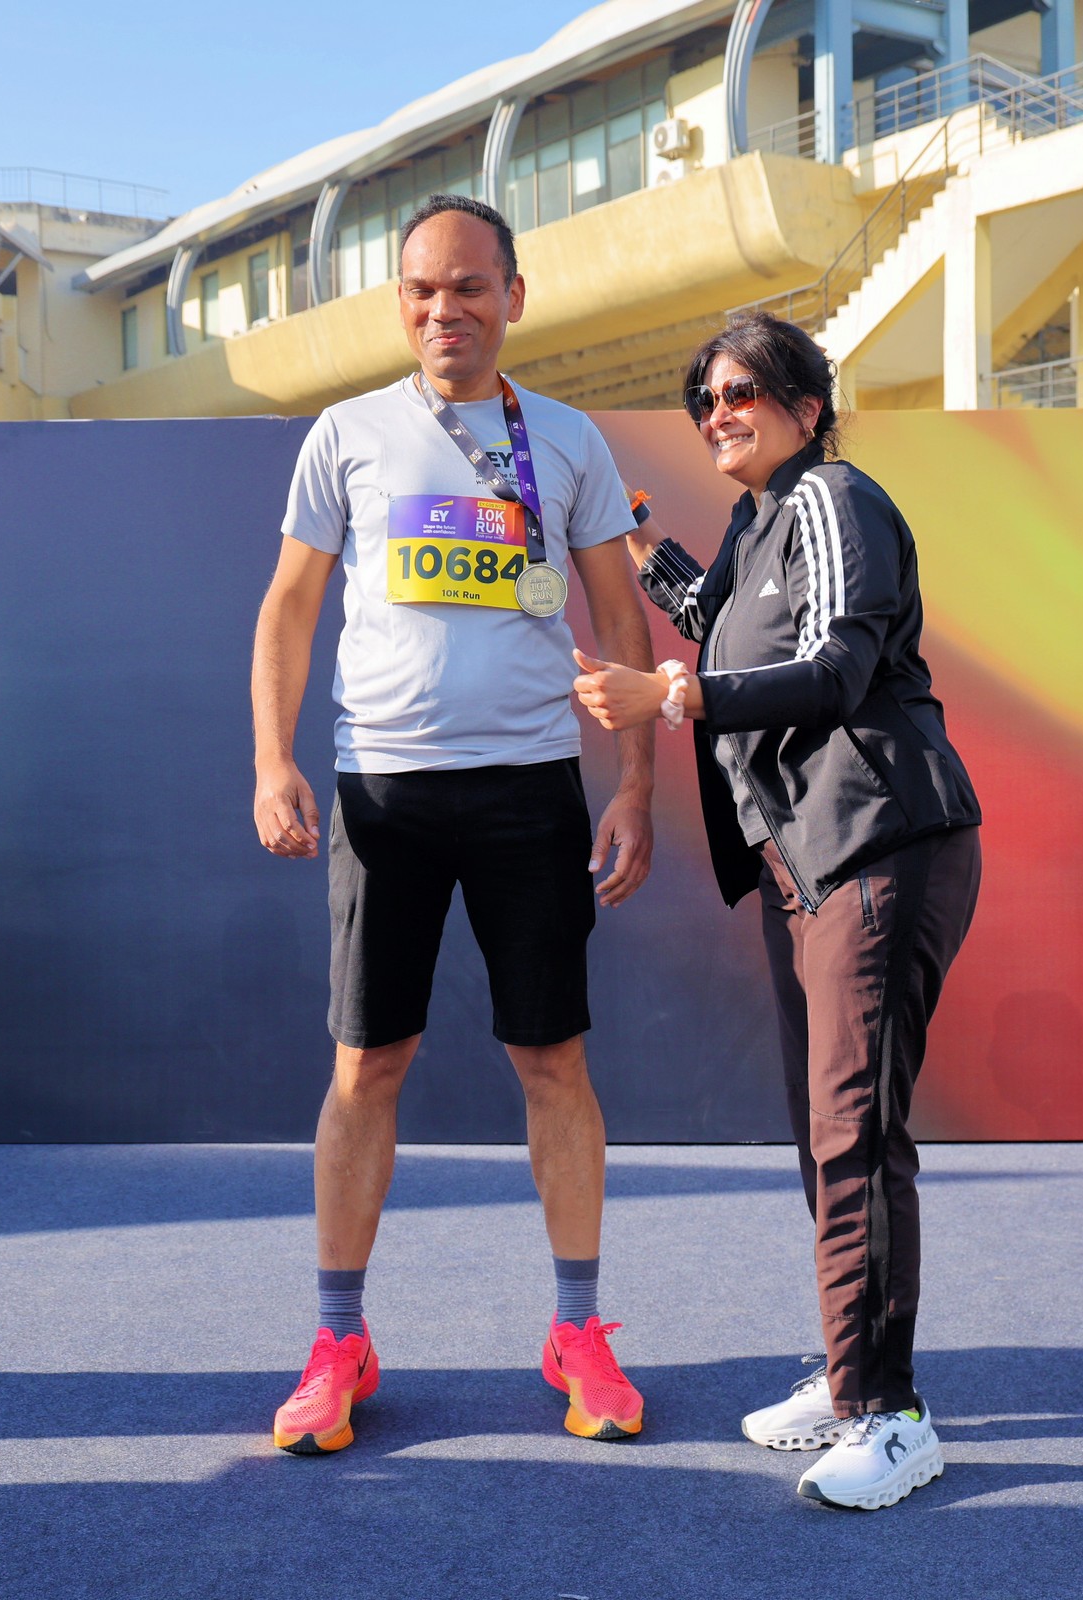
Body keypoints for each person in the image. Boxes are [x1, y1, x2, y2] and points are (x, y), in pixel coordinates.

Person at [250, 193, 658, 1452]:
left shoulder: (570, 438)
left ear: (513, 297)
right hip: (383, 791)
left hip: (532, 786)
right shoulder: (347, 433)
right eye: (423, 290)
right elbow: (289, 608)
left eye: (470, 287)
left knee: (554, 1063)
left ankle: (578, 1329)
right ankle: (338, 1340)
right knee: (366, 1067)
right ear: (401, 305)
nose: (446, 310)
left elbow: (621, 621)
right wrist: (272, 759)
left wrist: (635, 783)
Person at [572, 311, 981, 1509]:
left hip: (878, 846)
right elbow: (725, 622)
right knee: (823, 1131)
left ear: (808, 404)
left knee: (856, 1132)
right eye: (703, 397)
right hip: (808, 866)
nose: (718, 412)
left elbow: (837, 667)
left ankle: (890, 1414)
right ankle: (851, 1373)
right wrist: (644, 551)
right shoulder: (761, 522)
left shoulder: (835, 499)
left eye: (741, 389)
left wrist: (672, 698)